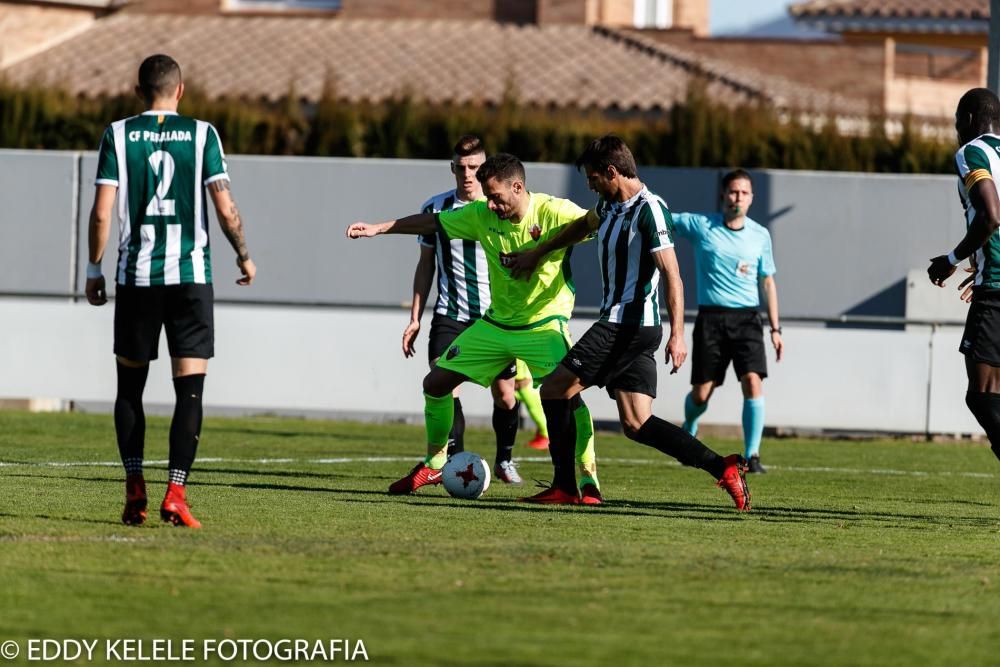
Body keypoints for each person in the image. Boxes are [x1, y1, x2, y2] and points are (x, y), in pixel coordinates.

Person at [508, 135, 750, 509]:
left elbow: (672, 273)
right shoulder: (608, 206)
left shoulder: (649, 209)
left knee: (554, 389)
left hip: (626, 324)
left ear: (611, 171)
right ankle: (723, 467)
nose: (589, 185)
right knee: (637, 423)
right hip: (630, 327)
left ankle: (565, 487)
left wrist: (678, 335)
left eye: (592, 177)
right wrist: (537, 253)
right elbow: (579, 227)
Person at [347, 153, 602, 502]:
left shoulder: (554, 211)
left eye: (496, 197)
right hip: (495, 325)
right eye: (487, 197)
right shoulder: (481, 214)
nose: (490, 205)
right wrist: (381, 228)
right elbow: (434, 224)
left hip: (543, 326)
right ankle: (435, 462)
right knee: (435, 383)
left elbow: (594, 221)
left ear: (518, 186)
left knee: (569, 398)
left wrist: (540, 252)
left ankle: (588, 478)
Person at [85, 54, 256, 528]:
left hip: (137, 279)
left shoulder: (118, 135)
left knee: (129, 390)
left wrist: (93, 269)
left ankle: (135, 485)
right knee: (191, 392)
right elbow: (224, 206)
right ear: (180, 90)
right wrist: (243, 254)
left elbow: (102, 213)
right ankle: (176, 492)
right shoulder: (203, 135)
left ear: (139, 91)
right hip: (190, 277)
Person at [404, 134, 524, 484]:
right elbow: (425, 265)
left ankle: (504, 460)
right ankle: (453, 462)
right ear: (452, 168)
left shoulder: (498, 207)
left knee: (505, 395)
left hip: (493, 319)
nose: (468, 174)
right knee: (444, 384)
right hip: (450, 314)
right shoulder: (435, 209)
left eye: (474, 167)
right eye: (461, 167)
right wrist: (414, 317)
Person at [672, 169, 784, 474]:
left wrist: (775, 329)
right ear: (724, 194)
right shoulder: (701, 226)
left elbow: (768, 282)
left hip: (748, 319)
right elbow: (665, 218)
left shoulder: (761, 235)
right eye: (733, 191)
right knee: (701, 393)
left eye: (744, 192)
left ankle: (752, 455)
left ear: (751, 198)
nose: (738, 197)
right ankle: (689, 427)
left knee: (752, 381)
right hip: (711, 319)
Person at [928, 87, 1000, 461]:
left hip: (996, 290)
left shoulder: (972, 152)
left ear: (969, 120)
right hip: (993, 279)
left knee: (983, 394)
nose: (957, 130)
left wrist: (953, 258)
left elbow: (991, 215)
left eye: (958, 121)